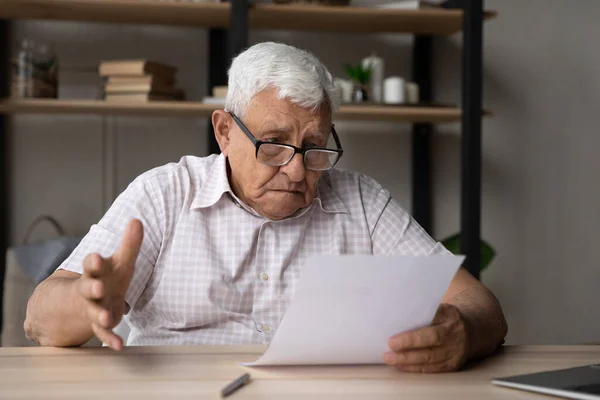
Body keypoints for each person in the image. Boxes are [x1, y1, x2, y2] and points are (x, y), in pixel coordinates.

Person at [24, 42, 507, 373]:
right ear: (225, 132)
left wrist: (460, 329)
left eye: (314, 147)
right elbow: (39, 318)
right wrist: (85, 303)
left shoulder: (361, 201)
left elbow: (479, 304)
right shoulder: (164, 194)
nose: (298, 172)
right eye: (273, 145)